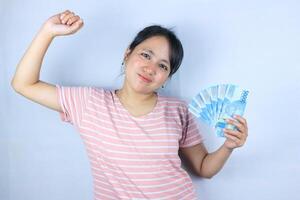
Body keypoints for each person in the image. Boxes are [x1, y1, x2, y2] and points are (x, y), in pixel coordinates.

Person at [11, 10, 248, 200]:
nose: (151, 68)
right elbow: (23, 84)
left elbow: (204, 169)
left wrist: (229, 145)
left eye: (163, 66)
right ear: (127, 54)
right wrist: (47, 32)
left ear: (166, 78)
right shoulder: (88, 103)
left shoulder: (178, 110)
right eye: (146, 55)